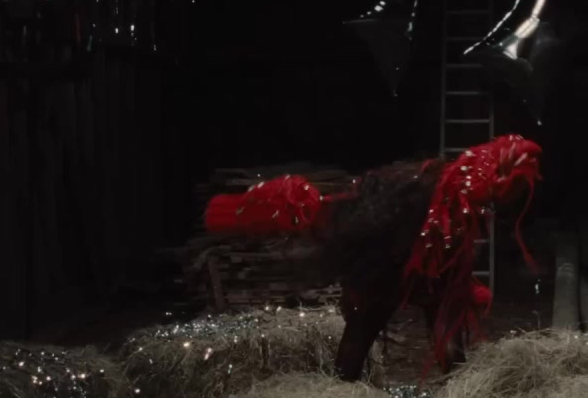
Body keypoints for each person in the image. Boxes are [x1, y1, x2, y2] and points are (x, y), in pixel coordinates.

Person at [204, 134, 543, 381]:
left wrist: (454, 282)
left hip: (425, 273)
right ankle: (342, 395)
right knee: (361, 335)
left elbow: (447, 251)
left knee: (444, 336)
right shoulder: (427, 190)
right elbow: (385, 231)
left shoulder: (459, 197)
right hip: (384, 268)